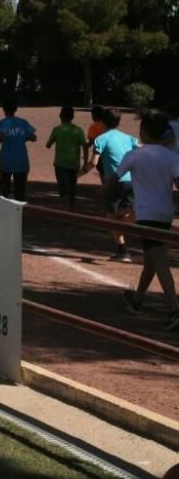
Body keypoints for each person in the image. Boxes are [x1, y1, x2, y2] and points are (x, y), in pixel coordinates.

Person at [108, 109, 179, 331]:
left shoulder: (134, 154)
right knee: (152, 256)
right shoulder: (172, 156)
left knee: (158, 258)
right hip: (166, 214)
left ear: (144, 131)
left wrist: (103, 191)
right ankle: (137, 299)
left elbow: (114, 178)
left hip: (147, 215)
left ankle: (174, 308)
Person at [84, 107, 139, 262]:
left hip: (114, 182)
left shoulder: (100, 139)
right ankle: (123, 239)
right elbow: (141, 148)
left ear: (102, 121)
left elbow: (93, 163)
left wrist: (81, 172)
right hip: (131, 181)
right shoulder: (128, 138)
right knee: (126, 214)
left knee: (112, 219)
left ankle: (123, 251)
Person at [0, 97, 36, 201]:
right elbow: (33, 137)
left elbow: (1, 137)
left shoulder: (0, 123)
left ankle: (6, 207)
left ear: (4, 109)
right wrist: (22, 137)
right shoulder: (23, 122)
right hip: (21, 159)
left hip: (6, 158)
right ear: (16, 109)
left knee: (4, 187)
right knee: (20, 190)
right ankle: (19, 210)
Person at [46, 106, 88, 211]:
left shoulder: (57, 130)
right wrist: (85, 161)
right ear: (72, 117)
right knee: (72, 189)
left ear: (60, 116)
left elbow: (48, 145)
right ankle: (71, 209)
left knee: (63, 189)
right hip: (74, 164)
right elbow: (85, 146)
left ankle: (67, 210)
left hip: (60, 163)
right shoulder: (78, 130)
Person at [85, 106, 108, 180]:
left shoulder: (94, 126)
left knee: (102, 171)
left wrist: (86, 146)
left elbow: (92, 140)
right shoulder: (107, 125)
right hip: (108, 150)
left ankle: (105, 187)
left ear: (94, 115)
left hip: (99, 153)